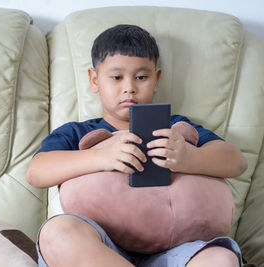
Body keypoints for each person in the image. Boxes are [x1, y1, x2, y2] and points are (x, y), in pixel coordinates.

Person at [26, 24, 248, 267]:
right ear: (94, 80)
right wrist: (101, 157)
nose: (129, 87)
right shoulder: (77, 132)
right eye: (116, 77)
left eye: (141, 77)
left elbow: (236, 161)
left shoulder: (174, 127)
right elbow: (37, 172)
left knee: (221, 258)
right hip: (101, 246)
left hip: (176, 250)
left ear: (156, 80)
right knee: (58, 233)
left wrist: (189, 158)